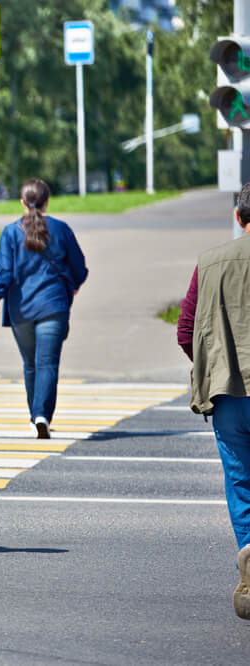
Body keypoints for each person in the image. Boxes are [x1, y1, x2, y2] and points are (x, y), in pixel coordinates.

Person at [180, 182, 250, 620]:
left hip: (227, 395)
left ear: (239, 218)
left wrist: (214, 363)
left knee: (241, 479)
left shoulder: (210, 263)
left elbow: (186, 329)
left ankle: (249, 551)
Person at [0, 178, 88, 439]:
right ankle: (42, 415)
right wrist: (74, 285)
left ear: (22, 202)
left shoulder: (10, 232)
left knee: (31, 364)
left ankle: (35, 416)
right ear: (47, 201)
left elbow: (4, 270)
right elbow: (79, 265)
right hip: (54, 306)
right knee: (48, 364)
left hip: (21, 308)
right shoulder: (61, 229)